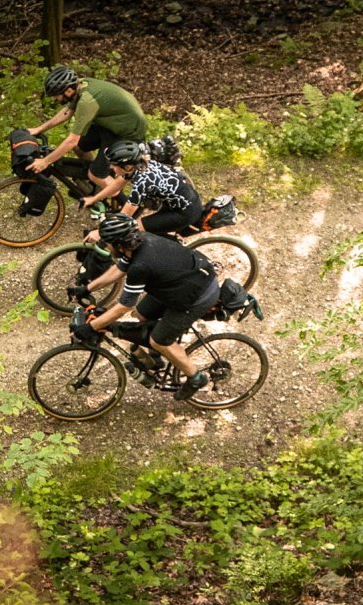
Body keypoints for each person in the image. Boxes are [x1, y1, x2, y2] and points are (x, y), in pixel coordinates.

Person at [80, 214, 218, 401]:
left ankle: (195, 377)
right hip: (181, 282)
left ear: (119, 245)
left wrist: (91, 327)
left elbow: (123, 307)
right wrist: (86, 288)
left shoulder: (140, 265)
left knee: (159, 340)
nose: (106, 246)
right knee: (142, 315)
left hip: (196, 296)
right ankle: (156, 360)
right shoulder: (138, 242)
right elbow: (120, 269)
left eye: (107, 243)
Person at [20, 66, 149, 215]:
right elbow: (67, 112)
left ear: (68, 91)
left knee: (96, 174)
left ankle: (130, 208)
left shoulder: (87, 101)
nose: (55, 99)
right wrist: (39, 129)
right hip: (110, 124)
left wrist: (46, 161)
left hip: (127, 131)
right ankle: (97, 186)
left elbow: (72, 140)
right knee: (80, 148)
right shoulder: (81, 86)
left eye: (56, 96)